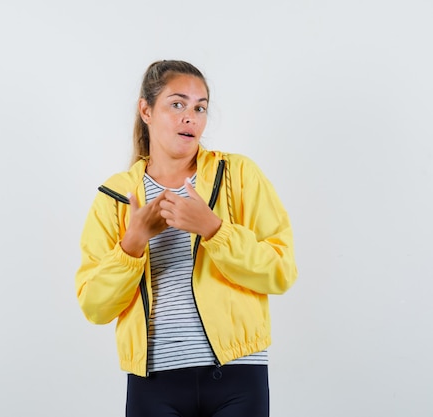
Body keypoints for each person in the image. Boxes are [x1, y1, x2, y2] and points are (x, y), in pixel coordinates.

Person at [75, 60, 298, 417]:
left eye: (200, 107)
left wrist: (215, 230)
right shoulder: (114, 196)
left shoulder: (238, 175)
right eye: (177, 104)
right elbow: (95, 306)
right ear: (146, 110)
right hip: (153, 383)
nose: (190, 117)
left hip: (238, 375)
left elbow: (281, 272)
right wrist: (132, 245)